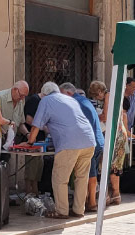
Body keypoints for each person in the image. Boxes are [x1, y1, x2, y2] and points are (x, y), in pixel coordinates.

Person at [27, 82, 96, 219]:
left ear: (44, 93)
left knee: (60, 179)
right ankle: (78, 210)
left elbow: (36, 125)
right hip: (88, 140)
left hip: (69, 144)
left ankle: (62, 211)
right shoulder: (71, 99)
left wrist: (30, 141)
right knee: (81, 178)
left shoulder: (46, 100)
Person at [60, 83, 104, 211]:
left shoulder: (75, 103)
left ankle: (88, 203)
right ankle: (90, 201)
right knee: (92, 172)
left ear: (68, 93)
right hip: (97, 140)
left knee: (86, 173)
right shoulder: (84, 101)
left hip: (88, 142)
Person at [21, 91, 46, 196]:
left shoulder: (43, 101)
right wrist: (45, 128)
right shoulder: (34, 100)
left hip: (40, 140)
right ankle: (29, 194)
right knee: (31, 169)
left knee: (38, 169)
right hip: (32, 140)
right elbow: (29, 120)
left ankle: (35, 193)